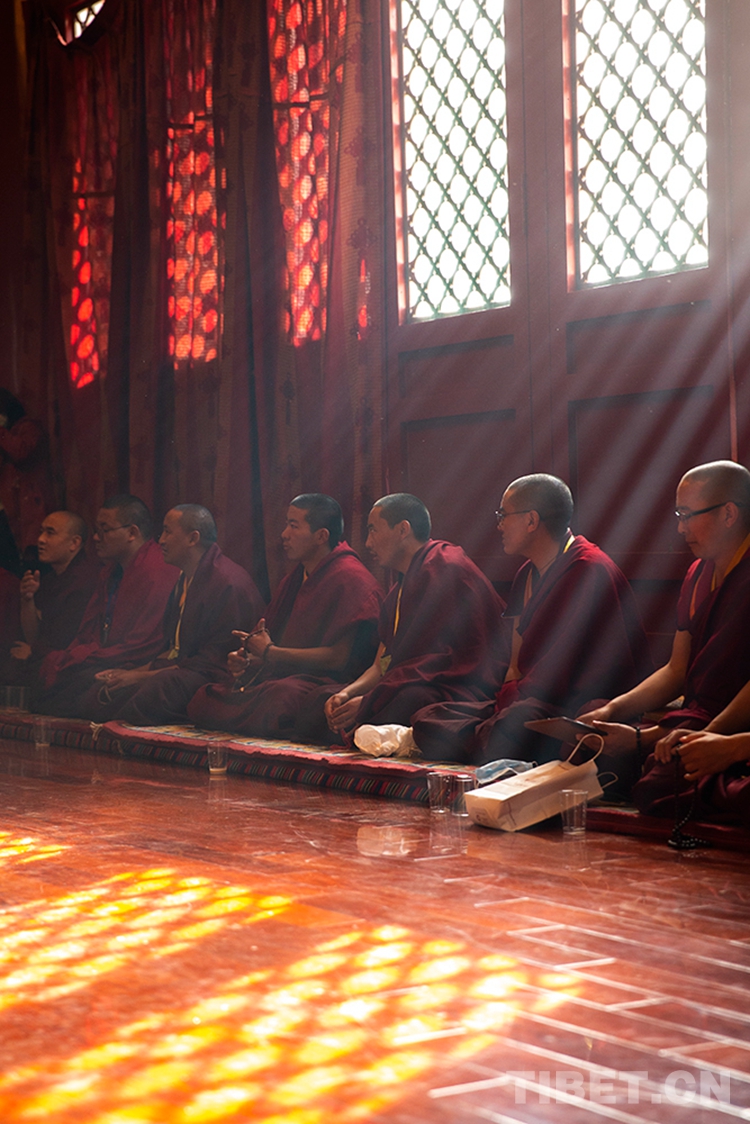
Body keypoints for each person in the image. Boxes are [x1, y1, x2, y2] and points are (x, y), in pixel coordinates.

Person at [410, 474, 651, 767]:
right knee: (427, 717)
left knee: (516, 722)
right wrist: (506, 701)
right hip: (530, 702)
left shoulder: (589, 570)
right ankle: (490, 738)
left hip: (574, 704)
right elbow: (515, 663)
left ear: (531, 520)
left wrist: (513, 706)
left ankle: (487, 739)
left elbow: (566, 671)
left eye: (503, 516)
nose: (499, 525)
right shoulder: (526, 573)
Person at [579, 460, 750, 819]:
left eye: (688, 515)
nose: (680, 527)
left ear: (729, 514)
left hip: (734, 724)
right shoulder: (698, 574)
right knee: (591, 735)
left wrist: (709, 736)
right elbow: (676, 670)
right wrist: (613, 710)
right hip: (695, 717)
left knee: (662, 782)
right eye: (679, 515)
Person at [187, 494, 382, 739]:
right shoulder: (296, 578)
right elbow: (270, 640)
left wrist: (271, 653)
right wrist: (248, 659)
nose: (284, 534)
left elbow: (338, 659)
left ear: (321, 536)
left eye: (293, 526)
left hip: (324, 681)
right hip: (283, 677)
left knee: (281, 700)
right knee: (203, 698)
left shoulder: (352, 579)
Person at [323, 493, 505, 742]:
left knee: (409, 702)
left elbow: (447, 661)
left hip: (461, 688)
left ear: (403, 530)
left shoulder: (446, 568)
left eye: (373, 530)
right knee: (321, 701)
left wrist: (370, 700)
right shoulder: (398, 593)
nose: (367, 542)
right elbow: (381, 665)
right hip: (405, 684)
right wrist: (348, 693)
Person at [86, 504, 265, 725]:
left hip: (216, 677)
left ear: (193, 538)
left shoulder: (227, 583)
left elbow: (214, 663)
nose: (160, 540)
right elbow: (175, 651)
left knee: (160, 688)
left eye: (167, 532)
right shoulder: (185, 578)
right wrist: (127, 673)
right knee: (102, 687)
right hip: (183, 670)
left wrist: (139, 676)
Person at [34, 495, 178, 716]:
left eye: (104, 530)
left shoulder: (156, 571)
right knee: (50, 683)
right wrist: (79, 655)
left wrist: (85, 657)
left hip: (138, 664)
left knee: (72, 690)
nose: (95, 537)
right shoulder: (110, 572)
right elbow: (90, 630)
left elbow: (144, 644)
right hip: (107, 658)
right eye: (96, 530)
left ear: (132, 533)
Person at [2, 511, 98, 681]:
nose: (40, 539)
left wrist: (33, 652)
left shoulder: (85, 580)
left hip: (70, 665)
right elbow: (34, 636)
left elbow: (66, 642)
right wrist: (27, 599)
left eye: (50, 533)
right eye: (41, 532)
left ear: (74, 543)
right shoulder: (50, 579)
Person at [0, 389, 55, 573]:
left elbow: (22, 452)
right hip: (7, 510)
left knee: (29, 565)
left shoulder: (28, 427)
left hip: (26, 507)